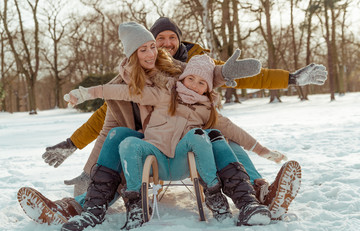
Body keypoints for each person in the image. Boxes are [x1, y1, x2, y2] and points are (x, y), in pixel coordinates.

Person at [41, 16, 325, 196]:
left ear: (179, 40)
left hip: (193, 135)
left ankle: (260, 189)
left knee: (223, 137)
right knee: (118, 141)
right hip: (149, 143)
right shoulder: (129, 80)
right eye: (157, 40)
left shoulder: (197, 68)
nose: (164, 44)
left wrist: (291, 78)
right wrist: (70, 144)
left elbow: (249, 75)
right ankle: (78, 205)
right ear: (143, 48)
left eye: (170, 38)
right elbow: (103, 120)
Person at [60, 46, 283, 231]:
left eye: (201, 83)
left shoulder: (206, 110)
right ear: (182, 78)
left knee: (205, 135)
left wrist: (263, 150)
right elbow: (125, 92)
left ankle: (222, 198)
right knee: (127, 142)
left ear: (208, 88)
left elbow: (234, 131)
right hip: (153, 157)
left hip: (183, 161)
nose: (194, 85)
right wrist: (89, 92)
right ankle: (134, 205)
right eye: (190, 79)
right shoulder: (164, 94)